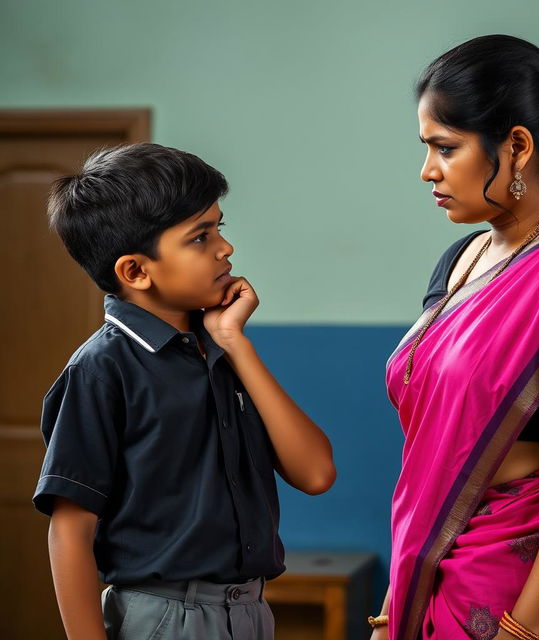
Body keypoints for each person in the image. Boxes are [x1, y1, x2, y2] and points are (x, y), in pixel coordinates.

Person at [369, 35, 539, 640]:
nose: (427, 171)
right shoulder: (462, 257)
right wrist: (397, 600)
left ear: (517, 146)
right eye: (427, 148)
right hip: (438, 559)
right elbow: (432, 459)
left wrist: (522, 631)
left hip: (530, 583)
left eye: (446, 147)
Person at [33, 143, 336, 640]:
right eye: (200, 237)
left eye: (220, 227)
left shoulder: (217, 349)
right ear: (135, 271)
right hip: (165, 618)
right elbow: (70, 530)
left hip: (252, 612)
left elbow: (317, 473)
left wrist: (236, 343)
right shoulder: (101, 369)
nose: (225, 248)